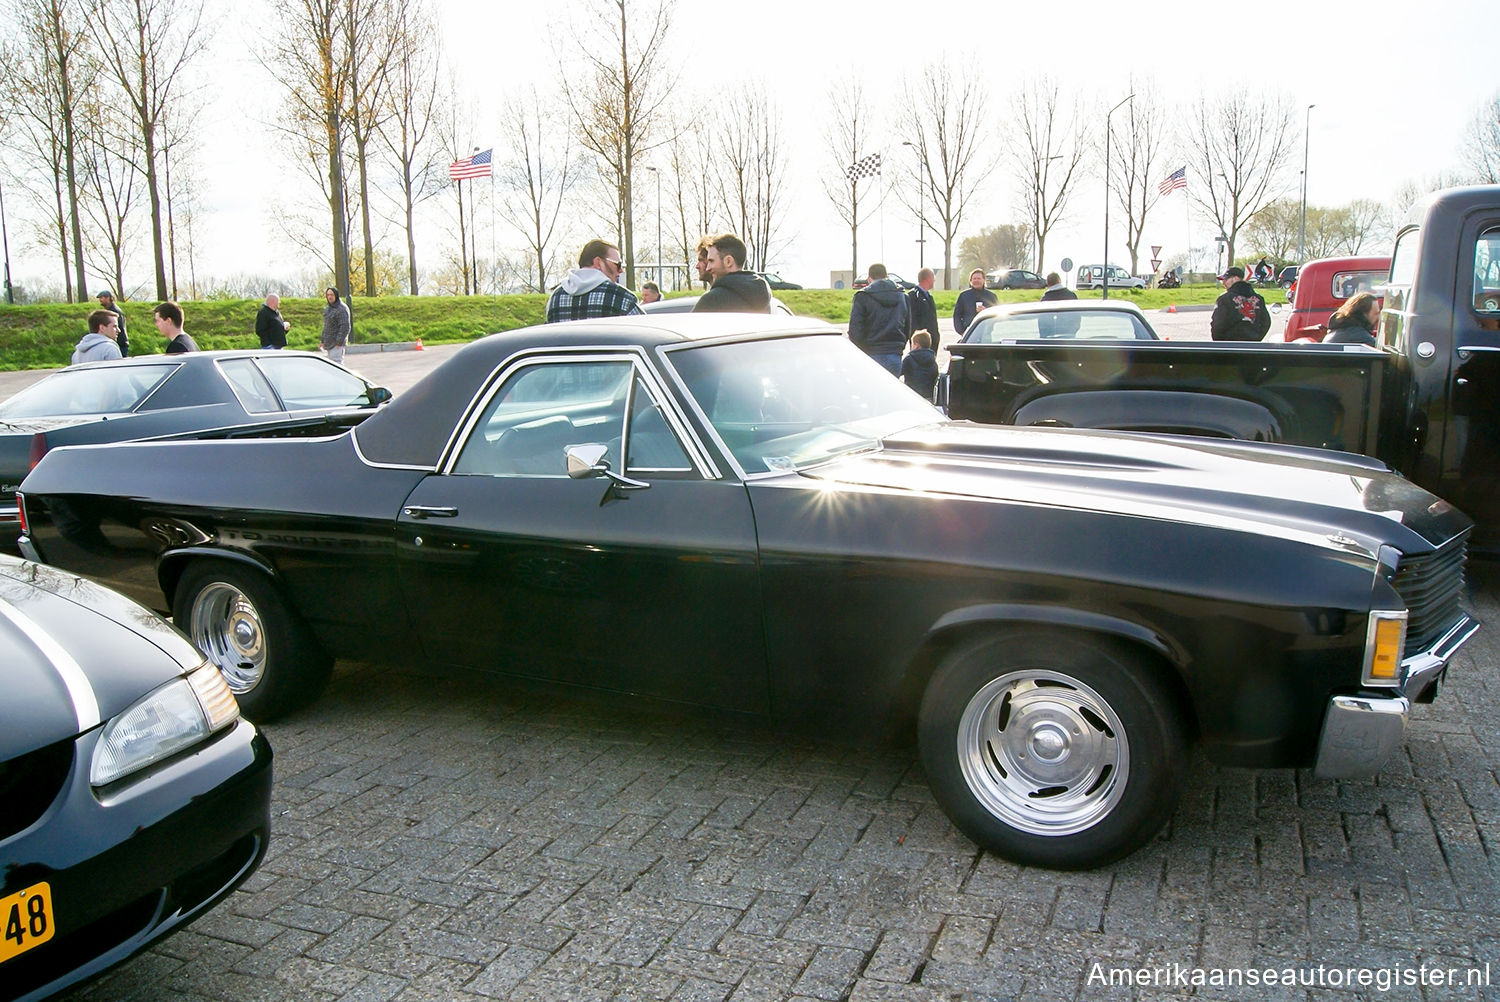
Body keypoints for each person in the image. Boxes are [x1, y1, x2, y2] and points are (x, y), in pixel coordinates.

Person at [545, 240, 643, 322]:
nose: (621, 270)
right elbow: (644, 332)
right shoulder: (623, 297)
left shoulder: (555, 297)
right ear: (598, 262)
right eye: (618, 264)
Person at [848, 262, 910, 374]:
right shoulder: (902, 296)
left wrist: (862, 349)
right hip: (894, 352)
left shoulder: (862, 297)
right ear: (887, 276)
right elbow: (908, 326)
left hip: (870, 352)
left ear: (869, 279)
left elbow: (855, 329)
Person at [693, 233, 772, 313]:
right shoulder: (762, 295)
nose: (708, 268)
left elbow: (690, 324)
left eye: (711, 261)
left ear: (728, 261)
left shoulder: (712, 300)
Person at [1209, 266, 1271, 341]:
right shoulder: (1259, 299)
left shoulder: (1225, 299)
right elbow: (1266, 322)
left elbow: (1217, 325)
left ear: (1235, 278)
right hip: (1252, 347)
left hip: (1230, 347)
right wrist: (1256, 338)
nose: (1223, 283)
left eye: (1225, 279)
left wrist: (1221, 343)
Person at [953, 268, 998, 337]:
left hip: (986, 333)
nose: (976, 280)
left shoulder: (991, 296)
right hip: (968, 333)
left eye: (978, 278)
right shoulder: (964, 296)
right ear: (970, 281)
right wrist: (961, 332)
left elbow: (997, 315)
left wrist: (985, 311)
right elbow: (957, 316)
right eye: (974, 279)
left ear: (984, 280)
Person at [900, 329, 939, 402]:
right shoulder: (933, 361)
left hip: (912, 395)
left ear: (916, 345)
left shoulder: (909, 359)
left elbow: (898, 371)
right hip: (928, 397)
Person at [907, 268, 939, 354]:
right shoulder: (914, 295)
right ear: (928, 278)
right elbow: (912, 320)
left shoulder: (929, 296)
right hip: (920, 344)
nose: (934, 280)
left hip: (932, 341)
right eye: (933, 278)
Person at [320, 287, 351, 361]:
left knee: (337, 365)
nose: (330, 297)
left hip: (336, 345)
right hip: (327, 344)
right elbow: (326, 326)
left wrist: (339, 342)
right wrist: (322, 341)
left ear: (336, 295)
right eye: (328, 295)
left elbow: (345, 327)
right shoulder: (328, 308)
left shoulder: (342, 309)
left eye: (332, 295)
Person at [96, 288, 129, 357]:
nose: (100, 300)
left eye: (102, 298)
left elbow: (119, 327)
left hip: (119, 343)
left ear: (109, 298)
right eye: (100, 298)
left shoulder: (114, 311)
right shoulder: (109, 310)